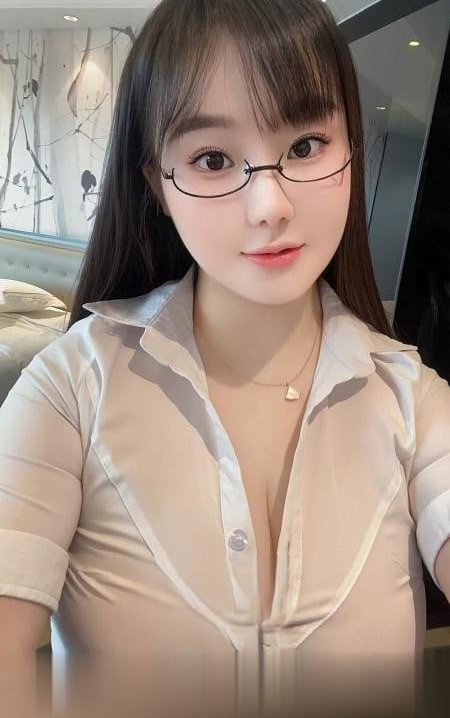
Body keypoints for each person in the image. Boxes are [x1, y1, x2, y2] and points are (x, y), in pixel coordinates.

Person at [0, 1, 449, 717]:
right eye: (212, 159)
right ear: (157, 184)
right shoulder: (69, 389)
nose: (269, 205)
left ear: (351, 148)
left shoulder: (414, 399)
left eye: (306, 145)